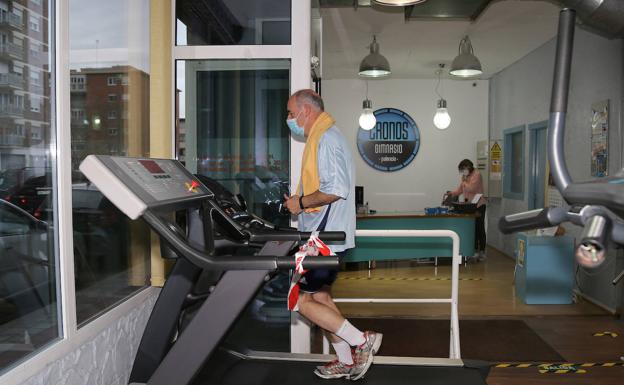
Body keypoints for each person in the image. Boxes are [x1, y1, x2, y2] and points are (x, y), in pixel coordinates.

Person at [283, 89, 382, 380]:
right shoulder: (325, 136)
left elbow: (334, 189)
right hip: (325, 236)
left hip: (325, 239)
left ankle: (362, 341)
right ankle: (346, 360)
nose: (288, 119)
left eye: (291, 113)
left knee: (299, 301)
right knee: (321, 299)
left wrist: (299, 203)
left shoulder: (326, 139)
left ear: (306, 111)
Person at [447, 159, 487, 260]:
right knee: (472, 228)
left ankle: (482, 251)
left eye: (462, 170)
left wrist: (464, 181)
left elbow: (471, 189)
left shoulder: (477, 175)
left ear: (467, 167)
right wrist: (452, 193)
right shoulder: (465, 177)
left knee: (479, 228)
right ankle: (473, 250)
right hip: (469, 206)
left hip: (479, 205)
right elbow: (461, 189)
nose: (462, 172)